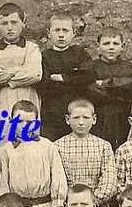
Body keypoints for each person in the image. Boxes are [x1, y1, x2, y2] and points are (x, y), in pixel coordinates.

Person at [0, 100, 68, 207]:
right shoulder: (6, 150)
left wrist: (56, 205)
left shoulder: (48, 146)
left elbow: (58, 176)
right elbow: (3, 183)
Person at [54, 99, 117, 207]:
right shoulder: (57, 146)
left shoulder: (103, 146)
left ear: (94, 119)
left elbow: (110, 180)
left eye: (86, 118)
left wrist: (91, 203)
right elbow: (56, 179)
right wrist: (70, 203)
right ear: (68, 119)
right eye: (76, 118)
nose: (81, 122)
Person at [0, 2, 42, 124]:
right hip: (1, 101)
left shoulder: (32, 48)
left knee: (28, 138)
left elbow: (35, 75)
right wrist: (19, 70)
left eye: (14, 22)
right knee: (1, 137)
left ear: (23, 23)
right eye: (4, 23)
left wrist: (5, 76)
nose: (9, 27)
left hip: (27, 98)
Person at [37, 14, 92, 142]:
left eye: (65, 30)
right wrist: (74, 79)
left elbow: (87, 76)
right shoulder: (44, 56)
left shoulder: (80, 54)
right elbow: (44, 84)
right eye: (57, 30)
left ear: (73, 33)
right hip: (52, 111)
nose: (61, 35)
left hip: (76, 111)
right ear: (49, 33)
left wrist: (63, 77)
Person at [85, 28, 132, 149]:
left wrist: (105, 83)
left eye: (115, 43)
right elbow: (89, 90)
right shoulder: (90, 67)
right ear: (98, 46)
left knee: (122, 147)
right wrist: (117, 93)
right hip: (99, 116)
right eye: (106, 43)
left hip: (122, 116)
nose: (111, 47)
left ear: (122, 46)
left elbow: (130, 88)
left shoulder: (129, 68)